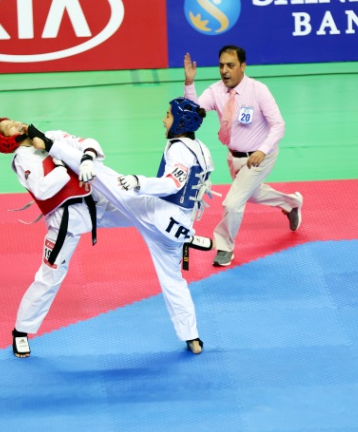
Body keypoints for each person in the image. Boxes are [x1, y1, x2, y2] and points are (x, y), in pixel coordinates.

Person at [27, 97, 218, 355]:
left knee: (106, 177)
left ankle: (49, 145)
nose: (163, 120)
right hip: (178, 227)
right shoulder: (203, 150)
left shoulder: (179, 150)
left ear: (180, 122)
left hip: (158, 214)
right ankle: (192, 337)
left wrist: (139, 182)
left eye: (168, 115)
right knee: (174, 282)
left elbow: (172, 183)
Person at [0, 118, 129, 358]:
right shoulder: (22, 159)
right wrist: (60, 162)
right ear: (8, 140)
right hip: (65, 221)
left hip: (95, 202)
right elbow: (42, 189)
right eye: (11, 127)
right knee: (49, 279)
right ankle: (21, 331)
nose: (18, 124)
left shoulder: (51, 135)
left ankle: (180, 237)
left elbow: (88, 142)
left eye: (14, 120)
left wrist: (86, 157)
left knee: (143, 211)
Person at [183, 44, 303, 267]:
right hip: (234, 157)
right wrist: (189, 83)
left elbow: (279, 125)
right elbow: (193, 112)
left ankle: (224, 247)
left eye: (230, 65)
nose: (224, 71)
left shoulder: (258, 90)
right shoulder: (215, 91)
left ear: (243, 66)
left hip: (261, 156)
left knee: (232, 203)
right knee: (252, 194)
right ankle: (291, 203)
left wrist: (262, 150)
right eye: (221, 66)